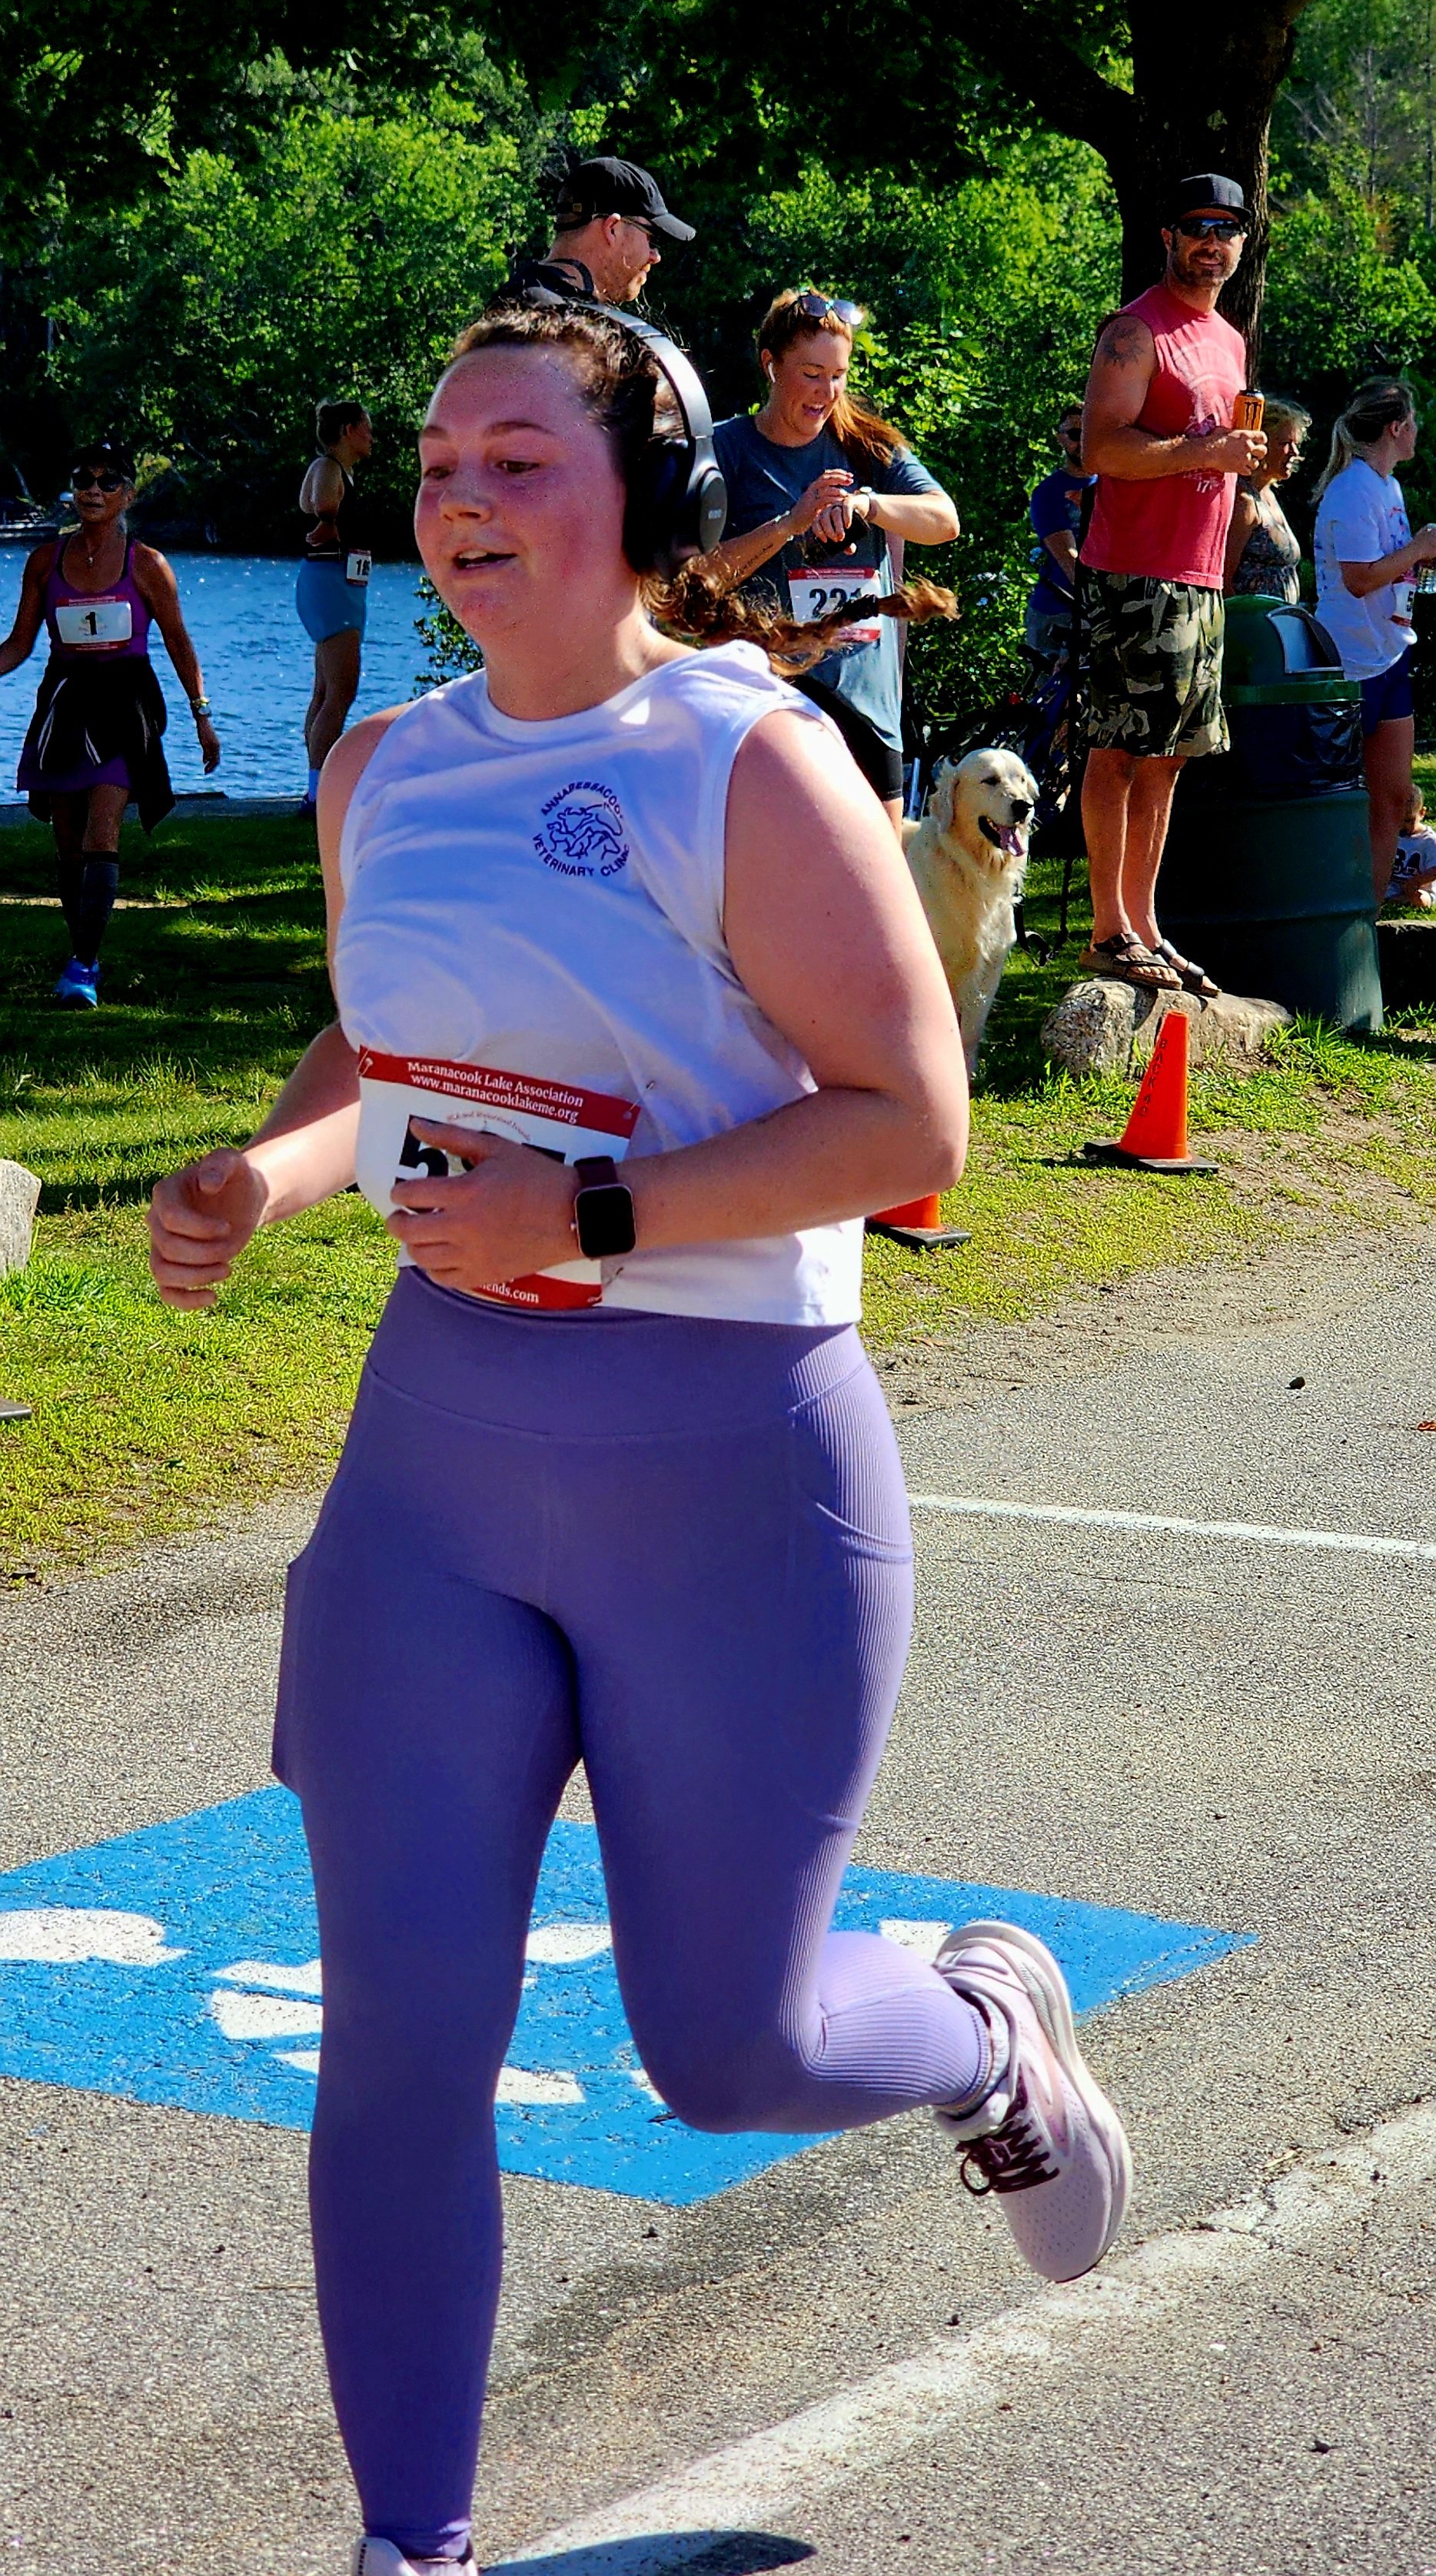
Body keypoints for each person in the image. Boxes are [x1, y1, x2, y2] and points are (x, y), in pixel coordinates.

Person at [149, 300, 1132, 2576]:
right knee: (399, 2039)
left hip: (728, 1471)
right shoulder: (380, 765)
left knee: (730, 2046)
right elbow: (387, 1043)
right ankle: (416, 2543)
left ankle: (981, 2028)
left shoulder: (746, 757)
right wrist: (267, 1176)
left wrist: (585, 1213)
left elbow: (913, 1121)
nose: (458, 501)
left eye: (514, 458)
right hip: (435, 1481)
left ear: (647, 505)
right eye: (435, 462)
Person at [1078, 171, 1266, 999]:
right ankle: (1104, 931)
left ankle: (1144, 924)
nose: (1211, 243)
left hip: (1198, 577)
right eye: (1197, 226)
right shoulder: (1133, 330)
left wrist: (1251, 472)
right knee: (1117, 751)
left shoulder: (1227, 339)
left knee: (1169, 759)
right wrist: (1206, 453)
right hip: (1132, 572)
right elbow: (1101, 450)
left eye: (1227, 229)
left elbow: (1220, 450)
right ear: (1167, 235)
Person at [712, 289, 959, 830]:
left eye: (839, 375)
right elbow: (694, 582)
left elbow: (945, 520)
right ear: (770, 365)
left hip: (868, 713)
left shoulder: (867, 447)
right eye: (811, 373)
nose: (827, 392)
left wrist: (869, 504)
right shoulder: (725, 450)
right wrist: (789, 526)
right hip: (772, 703)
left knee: (877, 898)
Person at [0, 440, 220, 1006]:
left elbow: (178, 642)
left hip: (126, 705)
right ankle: (82, 951)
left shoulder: (146, 564)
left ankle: (83, 966)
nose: (93, 490)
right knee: (68, 841)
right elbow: (20, 645)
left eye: (107, 480)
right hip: (65, 700)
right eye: (83, 479)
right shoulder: (45, 561)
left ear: (128, 493)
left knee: (103, 828)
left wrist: (202, 716)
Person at [1311, 375, 1436, 902]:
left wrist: (1416, 559)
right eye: (1413, 425)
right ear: (1395, 427)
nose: (1418, 435)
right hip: (1348, 660)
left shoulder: (1389, 486)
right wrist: (1419, 548)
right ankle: (1329, 908)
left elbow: (1388, 567)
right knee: (1338, 798)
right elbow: (1358, 577)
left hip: (1389, 654)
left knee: (1389, 800)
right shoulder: (1352, 488)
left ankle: (1370, 913)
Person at [298, 401, 374, 807]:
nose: (372, 437)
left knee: (326, 691)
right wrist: (328, 524)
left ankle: (314, 788)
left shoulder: (330, 469)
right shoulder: (328, 469)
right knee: (342, 691)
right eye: (367, 429)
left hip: (336, 587)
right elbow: (323, 509)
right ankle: (317, 794)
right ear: (348, 430)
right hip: (331, 587)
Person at [501, 151, 696, 311]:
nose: (655, 256)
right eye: (653, 239)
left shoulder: (517, 299)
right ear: (612, 229)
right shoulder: (555, 318)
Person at [1223, 397, 1311, 602]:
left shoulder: (1268, 496)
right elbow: (1223, 580)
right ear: (1261, 444)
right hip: (1251, 626)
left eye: (1295, 444)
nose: (1294, 453)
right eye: (1285, 444)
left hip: (1278, 624)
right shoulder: (1243, 501)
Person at [1024, 404, 1092, 663]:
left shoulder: (1116, 484)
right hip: (1057, 612)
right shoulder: (1049, 493)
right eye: (1075, 435)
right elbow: (1068, 559)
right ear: (1060, 437)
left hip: (1099, 610)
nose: (1082, 443)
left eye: (1088, 434)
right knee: (1050, 698)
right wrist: (1102, 604)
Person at [1386, 780, 1436, 909]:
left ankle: (1403, 900)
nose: (1404, 826)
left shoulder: (1429, 841)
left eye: (1409, 821)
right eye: (1399, 820)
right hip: (1393, 885)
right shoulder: (1392, 835)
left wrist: (1416, 882)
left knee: (1420, 899)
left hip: (1420, 888)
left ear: (1422, 813)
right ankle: (1395, 899)